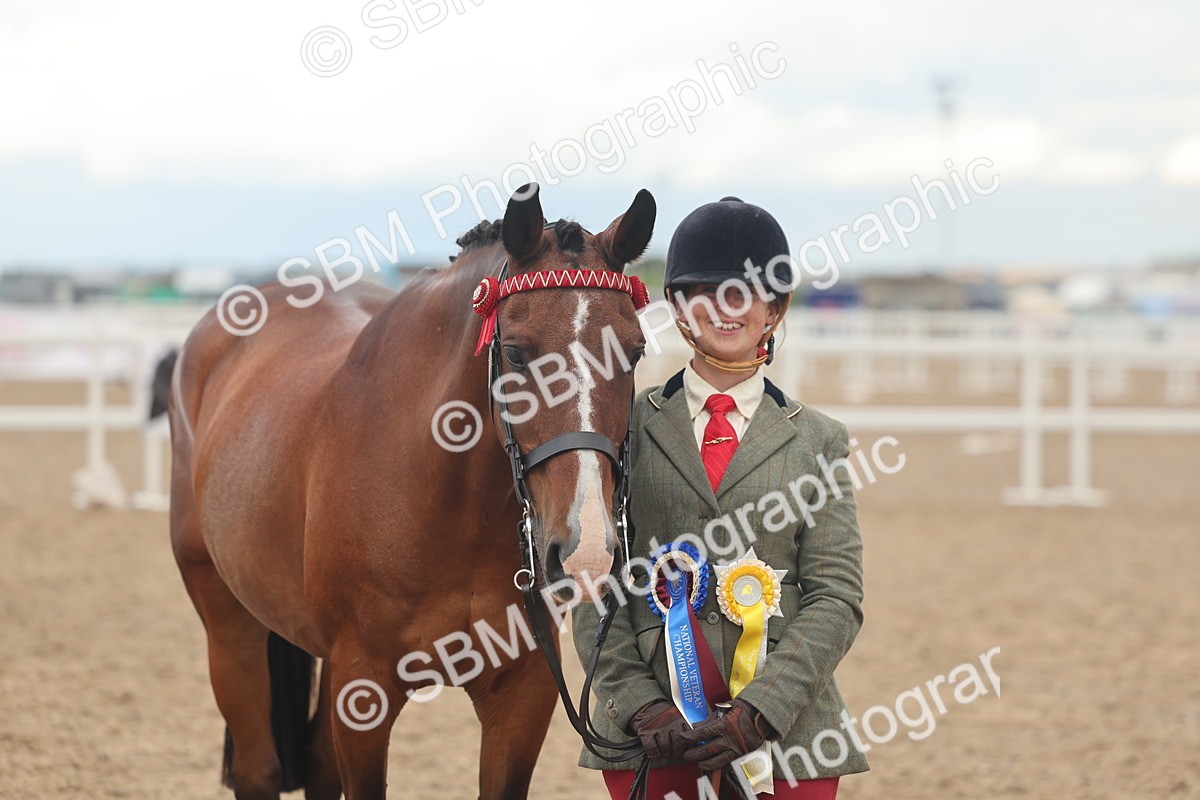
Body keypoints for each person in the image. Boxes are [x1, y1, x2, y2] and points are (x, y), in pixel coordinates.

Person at [573, 197, 869, 799]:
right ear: (679, 306)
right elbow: (591, 581)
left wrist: (761, 709)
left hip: (788, 737)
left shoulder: (821, 441)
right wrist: (639, 704)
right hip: (655, 737)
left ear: (774, 308)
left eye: (746, 292)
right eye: (705, 292)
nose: (725, 308)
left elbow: (836, 593)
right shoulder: (622, 431)